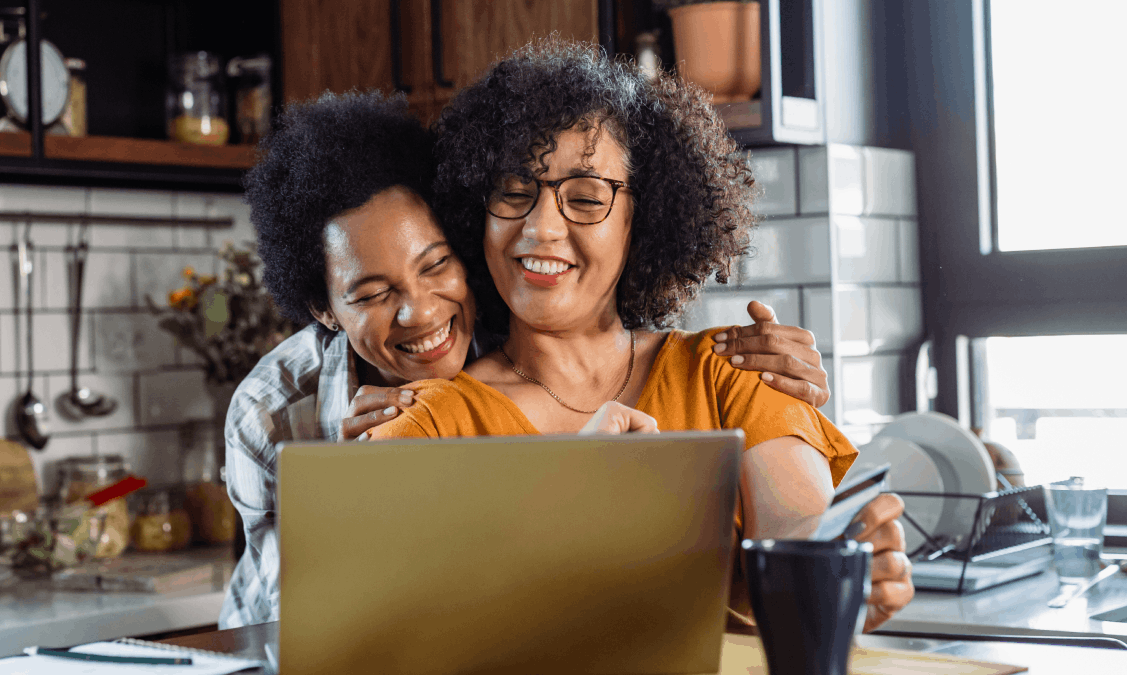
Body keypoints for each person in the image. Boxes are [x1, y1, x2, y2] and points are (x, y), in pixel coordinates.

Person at [219, 90, 835, 628]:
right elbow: (324, 620)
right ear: (322, 308)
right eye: (374, 294)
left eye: (435, 265)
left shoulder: (527, 325)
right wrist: (364, 489)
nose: (422, 314)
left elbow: (802, 539)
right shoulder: (271, 412)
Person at [370, 39, 913, 632]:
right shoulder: (430, 422)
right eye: (513, 191)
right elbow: (395, 625)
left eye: (585, 197)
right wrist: (567, 495)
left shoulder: (731, 372)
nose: (541, 227)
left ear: (642, 216)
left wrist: (842, 569)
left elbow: (796, 531)